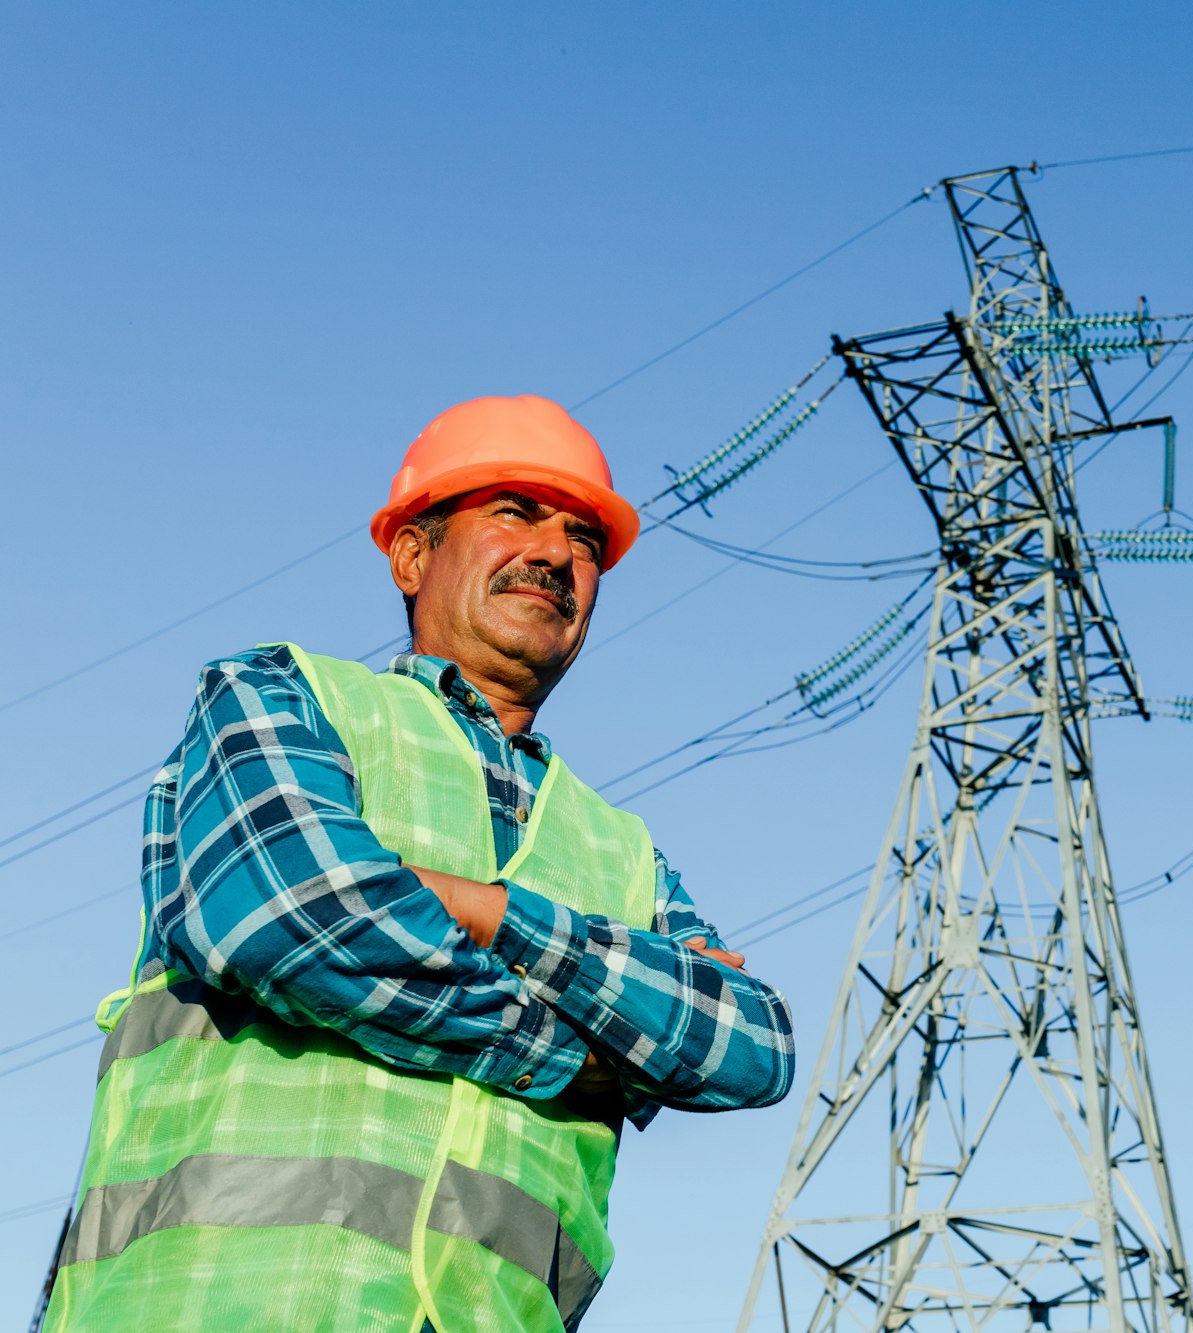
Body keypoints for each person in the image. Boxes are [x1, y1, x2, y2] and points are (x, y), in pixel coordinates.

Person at [41, 395, 795, 1331]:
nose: (558, 555)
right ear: (411, 554)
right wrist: (586, 1054)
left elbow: (752, 1045)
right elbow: (292, 918)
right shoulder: (287, 695)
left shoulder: (623, 848)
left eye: (585, 540)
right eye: (515, 512)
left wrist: (487, 912)